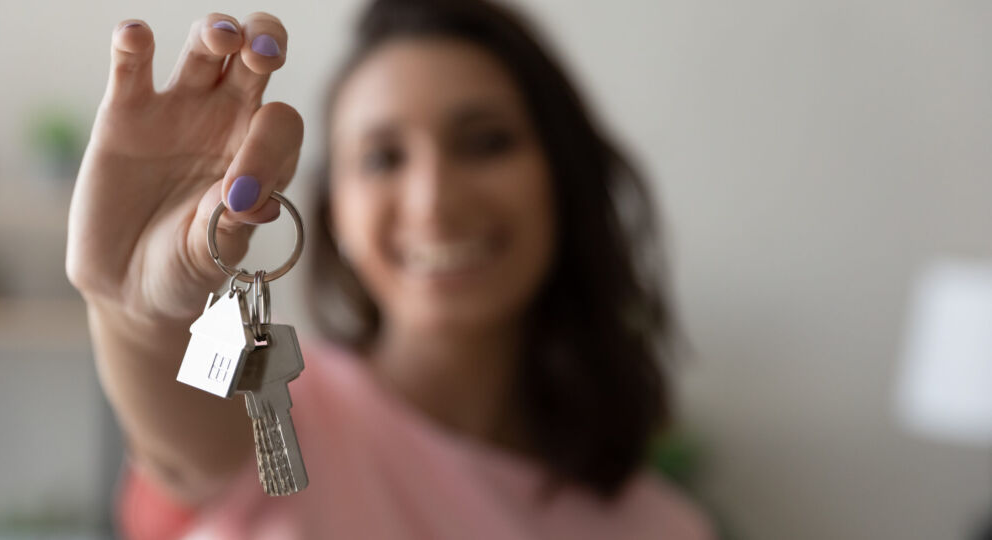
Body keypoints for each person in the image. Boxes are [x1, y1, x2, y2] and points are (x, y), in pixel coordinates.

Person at [66, 0, 712, 537]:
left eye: (485, 142)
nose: (433, 200)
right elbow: (182, 446)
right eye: (382, 158)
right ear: (336, 214)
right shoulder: (274, 412)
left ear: (561, 178)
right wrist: (131, 309)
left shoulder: (663, 526)